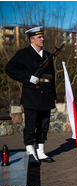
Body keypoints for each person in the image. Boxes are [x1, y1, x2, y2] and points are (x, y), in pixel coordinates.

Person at [5, 26, 56, 164]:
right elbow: (9, 69)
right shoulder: (23, 54)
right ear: (32, 39)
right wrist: (28, 78)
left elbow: (52, 77)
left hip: (46, 95)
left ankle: (40, 151)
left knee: (44, 125)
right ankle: (30, 151)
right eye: (39, 37)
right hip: (32, 96)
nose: (42, 39)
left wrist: (54, 96)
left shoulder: (48, 55)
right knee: (31, 125)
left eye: (43, 37)